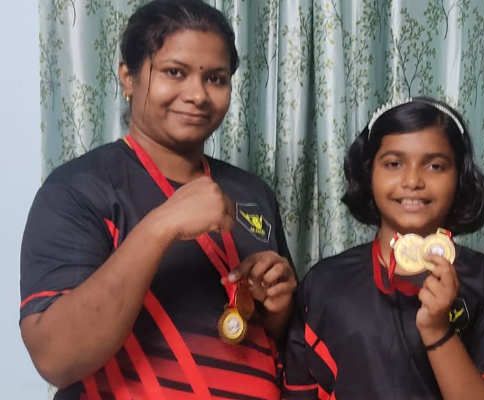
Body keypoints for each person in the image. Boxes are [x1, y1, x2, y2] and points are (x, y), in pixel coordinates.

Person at [19, 1, 296, 399]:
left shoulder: (253, 193)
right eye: (174, 72)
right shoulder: (78, 188)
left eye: (215, 78)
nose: (197, 94)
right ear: (128, 78)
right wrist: (161, 226)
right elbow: (57, 357)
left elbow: (284, 345)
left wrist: (278, 309)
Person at [281, 97, 484, 400]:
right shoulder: (324, 282)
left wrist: (437, 330)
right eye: (393, 163)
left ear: (460, 178)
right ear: (369, 174)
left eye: (435, 165)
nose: (412, 181)